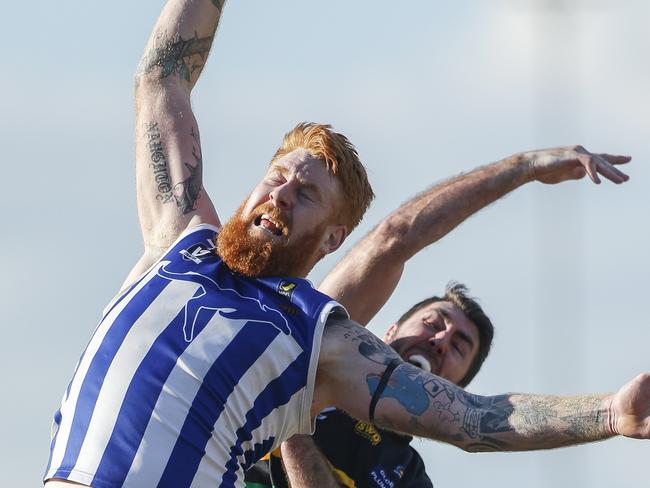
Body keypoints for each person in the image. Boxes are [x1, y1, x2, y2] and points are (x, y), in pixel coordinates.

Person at [44, 1, 649, 487]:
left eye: (305, 195)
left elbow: (476, 419)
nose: (281, 195)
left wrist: (606, 414)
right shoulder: (179, 234)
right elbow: (162, 79)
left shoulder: (317, 337)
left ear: (333, 238)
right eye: (278, 178)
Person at [246, 283, 492, 488]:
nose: (439, 341)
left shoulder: (409, 478)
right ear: (391, 331)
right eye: (433, 324)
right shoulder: (311, 364)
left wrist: (294, 419)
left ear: (456, 391)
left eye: (458, 347)